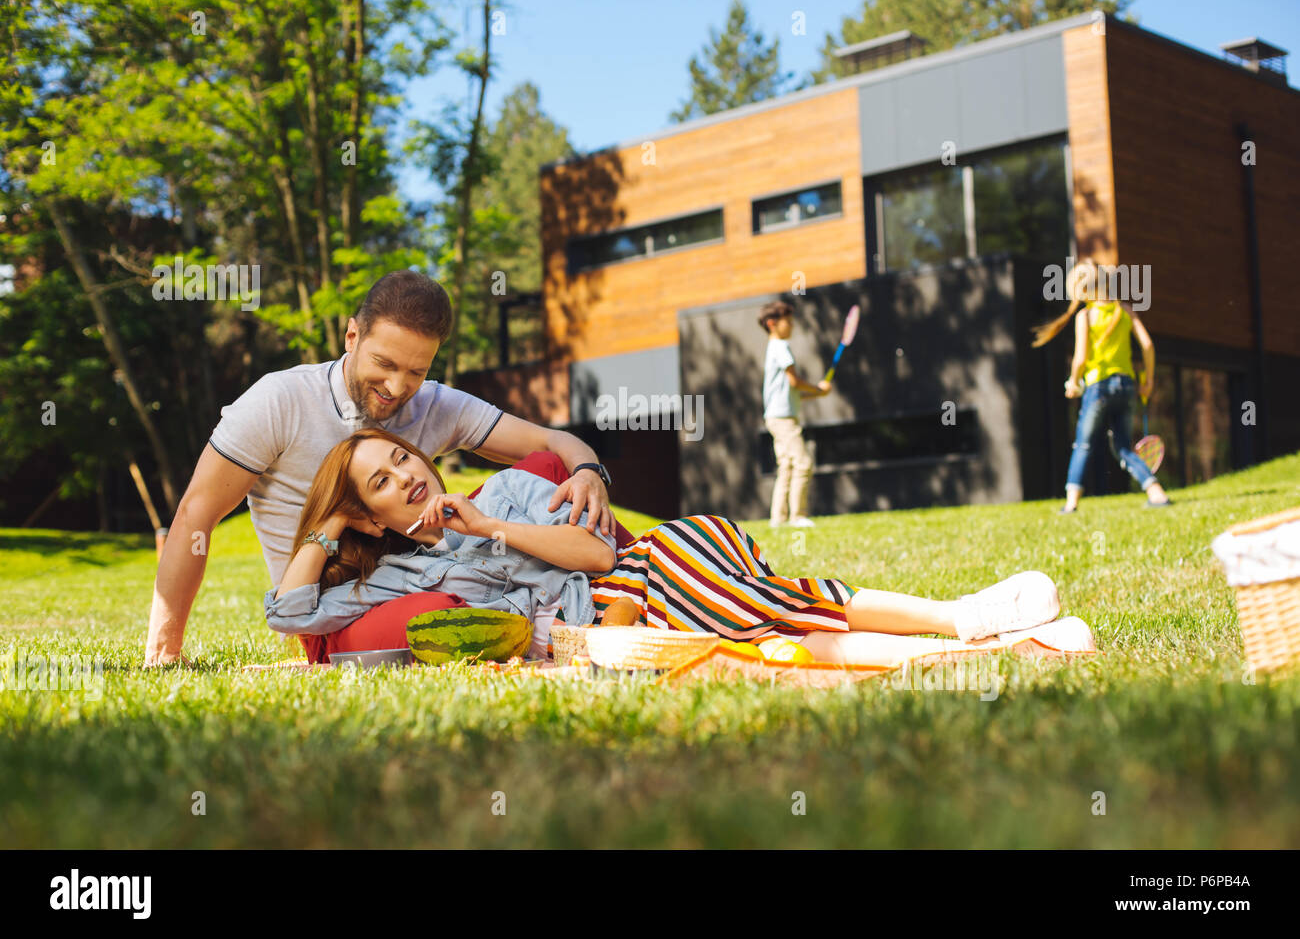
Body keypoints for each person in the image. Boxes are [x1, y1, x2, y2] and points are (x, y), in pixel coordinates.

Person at [264, 427, 1097, 668]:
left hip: (632, 585)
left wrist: (492, 527)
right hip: (609, 633)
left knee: (697, 556)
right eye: (377, 482)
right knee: (764, 619)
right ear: (370, 517)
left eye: (400, 457)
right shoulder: (399, 575)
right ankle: (974, 629)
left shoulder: (509, 490)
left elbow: (595, 559)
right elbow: (290, 614)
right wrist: (328, 528)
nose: (403, 474)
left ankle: (964, 626)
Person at [145, 270, 626, 666]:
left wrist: (588, 471)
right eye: (385, 363)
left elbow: (551, 441)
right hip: (333, 602)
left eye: (416, 371)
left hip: (429, 565)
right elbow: (196, 516)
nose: (398, 387)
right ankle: (554, 622)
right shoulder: (278, 401)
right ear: (352, 336)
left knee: (545, 467)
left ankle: (631, 579)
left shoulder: (437, 404)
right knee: (438, 614)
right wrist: (165, 650)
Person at [1033, 260, 1171, 514]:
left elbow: (1081, 358)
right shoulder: (1125, 310)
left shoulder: (1085, 316)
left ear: (1082, 291)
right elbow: (1148, 345)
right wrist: (1148, 380)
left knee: (1084, 444)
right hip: (1127, 385)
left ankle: (1072, 502)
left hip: (1097, 387)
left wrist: (1074, 382)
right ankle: (1156, 493)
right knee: (1122, 447)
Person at [760, 300, 830, 529]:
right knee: (803, 463)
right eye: (787, 322)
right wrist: (817, 389)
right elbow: (795, 381)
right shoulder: (780, 347)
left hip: (775, 417)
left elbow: (790, 392)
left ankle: (777, 520)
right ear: (772, 324)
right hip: (783, 419)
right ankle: (797, 516)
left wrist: (816, 395)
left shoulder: (773, 349)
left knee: (787, 467)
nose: (791, 326)